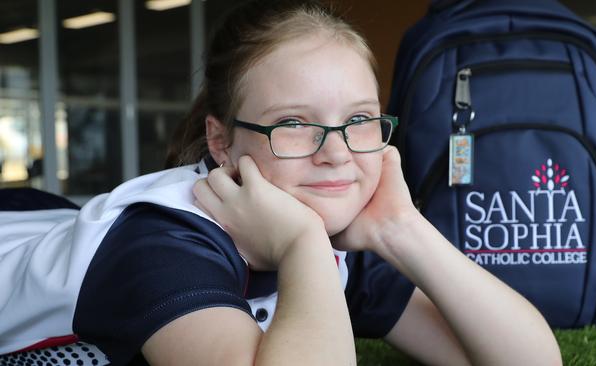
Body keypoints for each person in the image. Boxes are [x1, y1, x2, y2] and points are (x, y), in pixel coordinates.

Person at [0, 1, 562, 365]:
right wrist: (301, 246)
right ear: (221, 142)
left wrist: (400, 229)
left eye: (360, 119)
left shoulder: (327, 230)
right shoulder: (161, 246)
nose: (337, 152)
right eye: (294, 124)